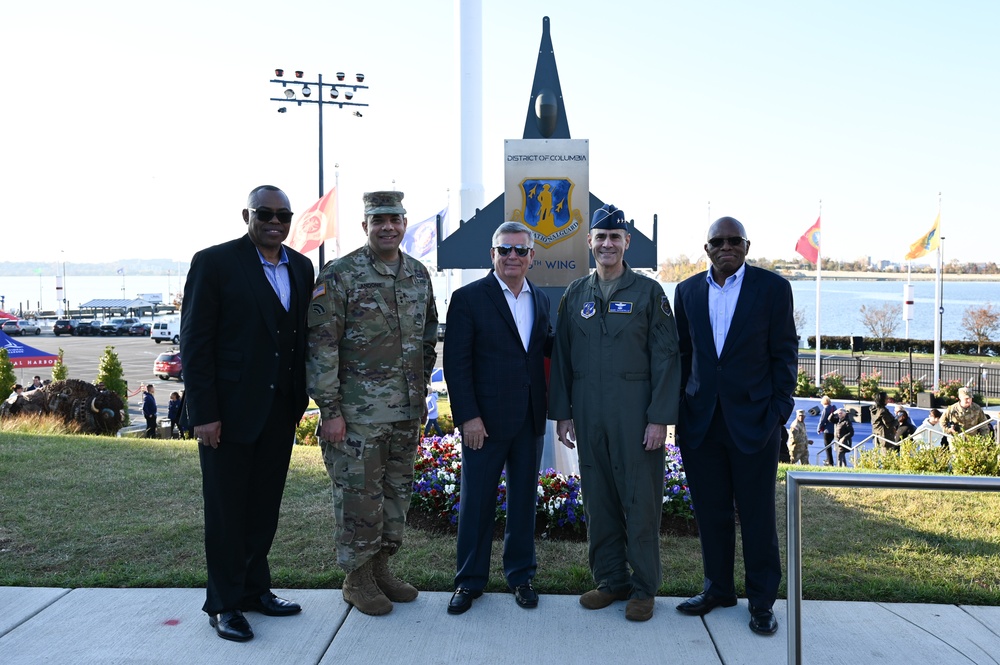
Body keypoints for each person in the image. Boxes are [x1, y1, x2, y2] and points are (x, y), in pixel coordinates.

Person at [181, 185, 315, 642]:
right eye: (266, 213)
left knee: (263, 510)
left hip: (279, 412)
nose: (275, 221)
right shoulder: (214, 263)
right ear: (247, 215)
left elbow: (296, 339)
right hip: (228, 414)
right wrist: (204, 412)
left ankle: (256, 589)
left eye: (284, 214)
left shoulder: (300, 265)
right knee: (225, 512)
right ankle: (223, 603)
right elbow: (195, 344)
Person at [306, 190, 438, 617]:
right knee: (358, 497)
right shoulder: (341, 274)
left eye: (394, 219)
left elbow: (429, 337)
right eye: (378, 220)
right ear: (365, 226)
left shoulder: (418, 274)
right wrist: (330, 411)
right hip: (357, 415)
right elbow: (321, 347)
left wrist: (418, 393)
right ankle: (356, 579)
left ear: (403, 223)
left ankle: (380, 569)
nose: (388, 226)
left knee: (395, 494)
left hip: (404, 412)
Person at [549, 204, 680, 623]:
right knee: (599, 498)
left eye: (615, 237)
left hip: (635, 414)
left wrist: (660, 417)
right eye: (600, 237)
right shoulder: (575, 295)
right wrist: (563, 413)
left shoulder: (648, 293)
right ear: (589, 242)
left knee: (640, 501)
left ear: (627, 243)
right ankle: (611, 580)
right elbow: (563, 357)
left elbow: (666, 357)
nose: (607, 244)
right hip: (588, 411)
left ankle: (643, 588)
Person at [673, 216, 798, 637]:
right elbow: (685, 354)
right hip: (701, 424)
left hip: (755, 423)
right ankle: (718, 589)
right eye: (717, 241)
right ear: (706, 248)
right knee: (711, 513)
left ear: (746, 245)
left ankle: (761, 602)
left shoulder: (773, 289)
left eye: (734, 240)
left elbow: (784, 352)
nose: (726, 246)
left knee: (758, 515)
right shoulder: (687, 291)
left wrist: (779, 409)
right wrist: (680, 406)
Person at [443, 221, 552, 615]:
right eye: (505, 249)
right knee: (477, 503)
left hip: (529, 420)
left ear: (531, 257)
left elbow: (541, 353)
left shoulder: (540, 299)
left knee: (524, 501)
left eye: (520, 251)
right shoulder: (469, 298)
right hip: (483, 424)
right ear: (493, 254)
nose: (512, 257)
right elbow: (456, 364)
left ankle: (521, 575)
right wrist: (468, 417)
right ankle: (469, 582)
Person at [817, 395, 837, 466]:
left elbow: (822, 420)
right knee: (831, 445)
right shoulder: (834, 408)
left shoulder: (826, 409)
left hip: (827, 430)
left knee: (827, 446)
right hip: (834, 429)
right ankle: (829, 459)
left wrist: (819, 428)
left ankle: (830, 461)